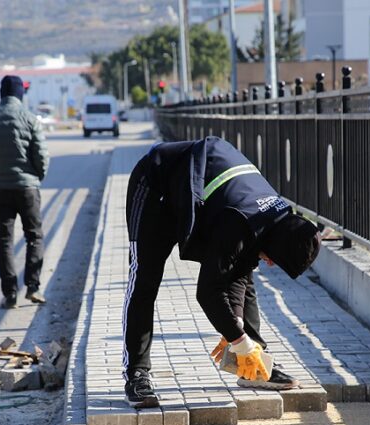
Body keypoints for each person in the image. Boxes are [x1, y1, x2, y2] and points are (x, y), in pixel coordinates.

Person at [123, 136, 321, 408]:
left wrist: (234, 323)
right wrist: (238, 341)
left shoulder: (271, 220)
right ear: (277, 243)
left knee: (246, 281)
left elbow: (239, 273)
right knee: (145, 280)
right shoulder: (241, 221)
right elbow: (208, 292)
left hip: (196, 195)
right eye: (275, 259)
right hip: (156, 188)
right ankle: (136, 373)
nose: (271, 264)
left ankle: (254, 366)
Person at [0, 76, 49, 309]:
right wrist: (36, 177)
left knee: (4, 240)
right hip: (27, 188)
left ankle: (10, 293)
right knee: (34, 236)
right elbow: (41, 156)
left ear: (2, 93)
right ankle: (33, 286)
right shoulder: (31, 119)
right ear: (20, 94)